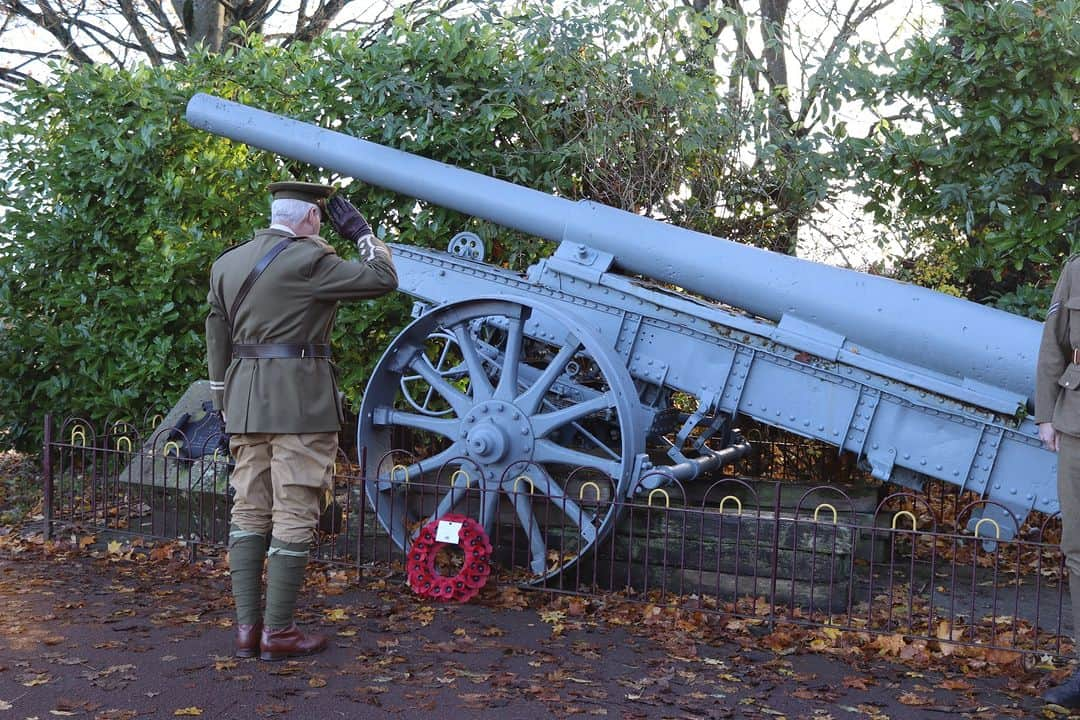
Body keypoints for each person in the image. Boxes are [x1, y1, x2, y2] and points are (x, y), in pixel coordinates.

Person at [205, 181, 398, 661]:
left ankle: (247, 631)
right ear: (311, 218)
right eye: (321, 219)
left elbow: (216, 331)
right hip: (300, 401)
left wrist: (221, 393)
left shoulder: (228, 262)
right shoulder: (309, 260)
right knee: (294, 508)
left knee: (248, 509)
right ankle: (279, 632)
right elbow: (383, 277)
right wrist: (364, 233)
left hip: (245, 400)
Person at [1037, 254, 1080, 707]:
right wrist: (1046, 416)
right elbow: (1054, 345)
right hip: (1077, 423)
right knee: (1079, 550)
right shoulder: (1076, 270)